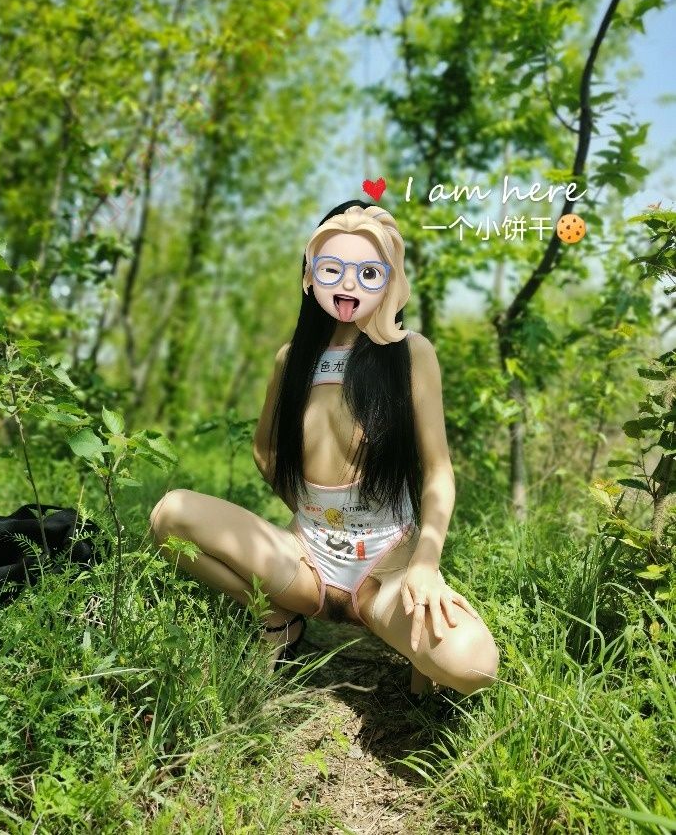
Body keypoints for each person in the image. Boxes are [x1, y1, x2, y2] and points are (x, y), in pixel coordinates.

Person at [149, 200, 500, 696]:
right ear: (312, 272)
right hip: (305, 561)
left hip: (385, 566)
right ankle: (277, 616)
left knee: (474, 665)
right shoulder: (293, 359)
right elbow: (265, 450)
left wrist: (425, 562)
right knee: (170, 515)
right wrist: (311, 512)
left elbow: (438, 470)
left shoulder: (409, 352)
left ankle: (413, 653)